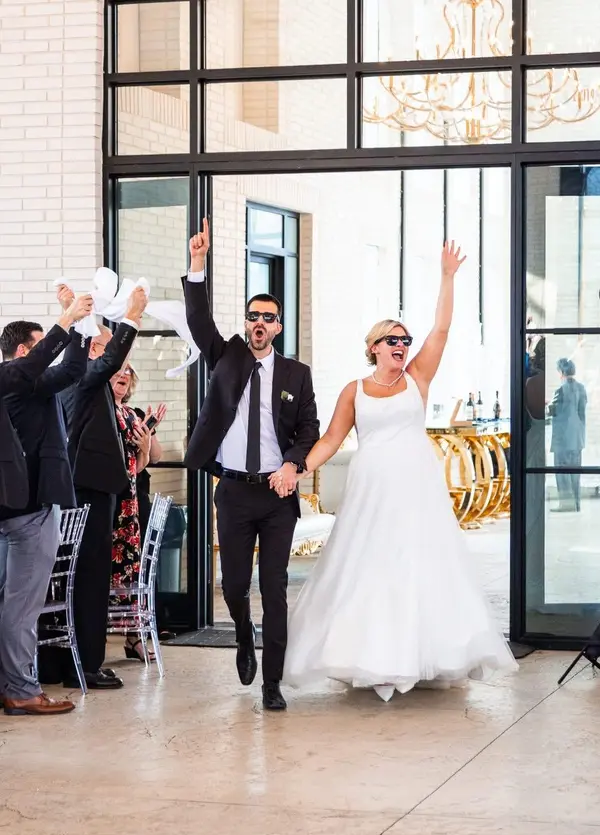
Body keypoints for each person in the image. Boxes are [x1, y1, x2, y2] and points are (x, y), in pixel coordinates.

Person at [282, 242, 518, 702]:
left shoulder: (417, 378)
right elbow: (330, 439)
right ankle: (371, 658)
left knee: (419, 564)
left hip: (416, 489)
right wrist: (297, 469)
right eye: (393, 340)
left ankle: (423, 655)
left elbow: (442, 328)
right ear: (373, 347)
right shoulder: (354, 390)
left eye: (405, 341)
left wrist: (447, 277)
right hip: (371, 491)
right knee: (369, 566)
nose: (401, 346)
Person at [184, 219, 320, 711]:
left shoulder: (296, 374)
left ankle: (272, 683)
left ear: (279, 326)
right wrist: (198, 263)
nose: (259, 323)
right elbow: (198, 320)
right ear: (246, 323)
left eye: (268, 317)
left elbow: (309, 429)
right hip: (235, 492)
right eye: (253, 316)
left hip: (278, 494)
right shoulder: (226, 357)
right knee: (236, 586)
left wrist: (292, 464)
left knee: (275, 588)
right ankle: (244, 636)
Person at [0, 292, 94, 715]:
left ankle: (11, 684)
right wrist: (67, 318)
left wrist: (79, 325)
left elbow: (72, 369)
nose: (45, 356)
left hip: (17, 508)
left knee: (12, 603)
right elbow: (47, 366)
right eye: (39, 348)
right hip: (28, 509)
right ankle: (21, 689)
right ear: (23, 352)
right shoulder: (15, 379)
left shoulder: (27, 382)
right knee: (22, 606)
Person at [61, 287, 149, 691]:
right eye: (107, 346)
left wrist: (73, 313)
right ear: (94, 350)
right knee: (91, 577)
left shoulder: (76, 377)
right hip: (90, 489)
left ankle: (78, 662)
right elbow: (112, 360)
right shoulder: (84, 376)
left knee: (85, 577)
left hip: (88, 487)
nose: (118, 359)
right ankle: (87, 665)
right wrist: (133, 315)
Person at [109, 364, 162, 662]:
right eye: (119, 371)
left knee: (132, 569)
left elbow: (140, 465)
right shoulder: (103, 411)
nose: (124, 375)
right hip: (109, 501)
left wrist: (145, 443)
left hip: (130, 502)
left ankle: (134, 635)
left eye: (128, 373)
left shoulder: (131, 414)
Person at [549, 357, 587, 512]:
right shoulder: (581, 388)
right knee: (575, 473)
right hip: (577, 438)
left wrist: (547, 405)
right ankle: (576, 503)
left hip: (563, 439)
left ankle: (566, 504)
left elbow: (553, 411)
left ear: (561, 372)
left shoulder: (560, 390)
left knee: (562, 472)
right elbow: (581, 412)